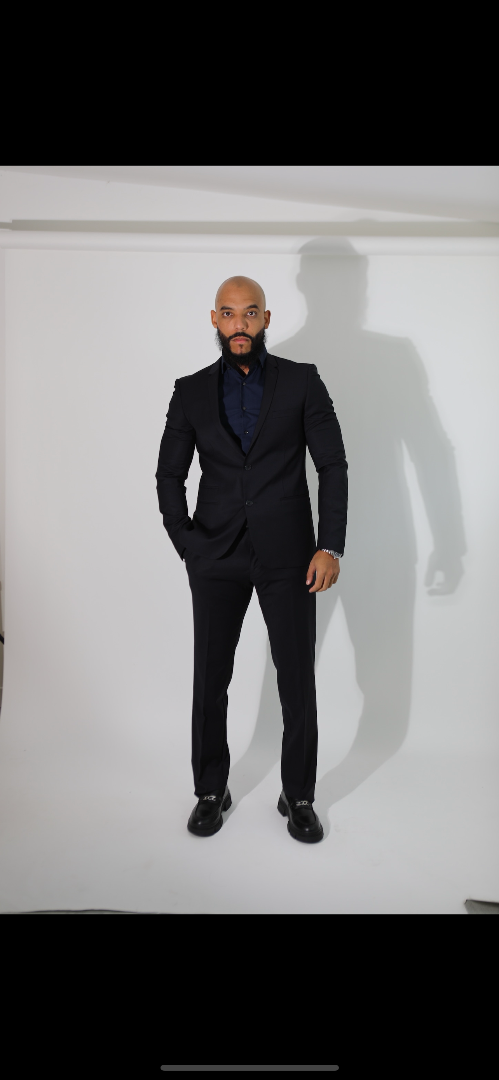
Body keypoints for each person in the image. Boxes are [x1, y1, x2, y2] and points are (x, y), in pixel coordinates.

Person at [155, 276, 348, 842]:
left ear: (266, 318)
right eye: (229, 313)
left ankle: (299, 794)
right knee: (210, 678)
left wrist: (330, 545)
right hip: (214, 554)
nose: (239, 324)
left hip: (291, 556)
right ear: (215, 319)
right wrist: (187, 544)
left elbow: (332, 465)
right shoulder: (190, 391)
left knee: (297, 680)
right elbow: (169, 474)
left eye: (250, 313)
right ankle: (210, 789)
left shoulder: (303, 381)